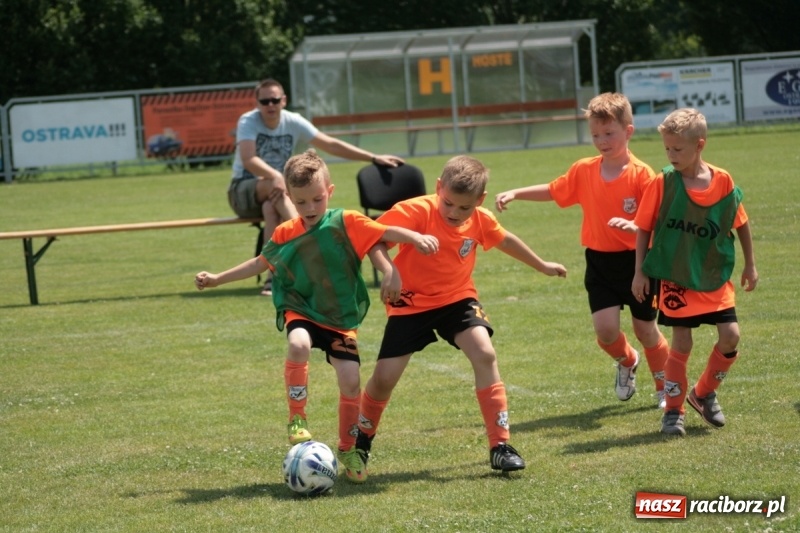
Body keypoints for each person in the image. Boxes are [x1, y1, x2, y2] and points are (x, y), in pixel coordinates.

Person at [197, 149, 440, 482]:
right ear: (291, 200)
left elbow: (384, 234)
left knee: (350, 379)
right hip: (302, 307)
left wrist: (414, 237)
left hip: (339, 317)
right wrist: (216, 279)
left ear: (329, 192)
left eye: (316, 200)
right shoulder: (285, 233)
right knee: (297, 344)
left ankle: (347, 448)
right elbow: (259, 264)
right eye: (300, 203)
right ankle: (297, 419)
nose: (309, 209)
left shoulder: (347, 221)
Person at [353, 155, 567, 478]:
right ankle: (361, 446)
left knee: (484, 352)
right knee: (384, 379)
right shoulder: (417, 211)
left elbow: (505, 240)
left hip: (457, 299)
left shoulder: (481, 219)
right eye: (448, 203)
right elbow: (374, 239)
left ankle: (501, 446)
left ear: (479, 201)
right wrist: (390, 270)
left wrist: (542, 265)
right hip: (410, 303)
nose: (454, 213)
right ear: (439, 188)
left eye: (464, 208)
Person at [494, 92, 670, 408]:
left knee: (645, 329)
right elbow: (554, 190)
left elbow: (659, 224)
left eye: (609, 133)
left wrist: (637, 231)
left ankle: (664, 387)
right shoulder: (584, 170)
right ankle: (627, 361)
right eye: (595, 135)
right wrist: (516, 192)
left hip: (638, 262)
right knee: (605, 332)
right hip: (600, 262)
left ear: (628, 132)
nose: (601, 140)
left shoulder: (644, 175)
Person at [633, 108, 758, 436]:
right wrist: (640, 272)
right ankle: (673, 412)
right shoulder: (663, 182)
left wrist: (751, 265)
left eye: (678, 149)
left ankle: (702, 394)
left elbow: (740, 222)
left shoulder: (723, 181)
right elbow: (643, 228)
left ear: (699, 145)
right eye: (667, 149)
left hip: (712, 273)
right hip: (675, 276)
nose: (671, 155)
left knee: (731, 335)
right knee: (682, 343)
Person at [228, 78, 405, 296]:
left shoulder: (293, 120)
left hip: (278, 197)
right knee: (277, 186)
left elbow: (330, 144)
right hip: (243, 191)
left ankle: (272, 279)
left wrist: (373, 157)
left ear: (284, 100)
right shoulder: (248, 121)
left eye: (275, 100)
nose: (270, 105)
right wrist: (276, 176)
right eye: (265, 102)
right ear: (257, 104)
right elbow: (248, 159)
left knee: (271, 208)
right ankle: (310, 241)